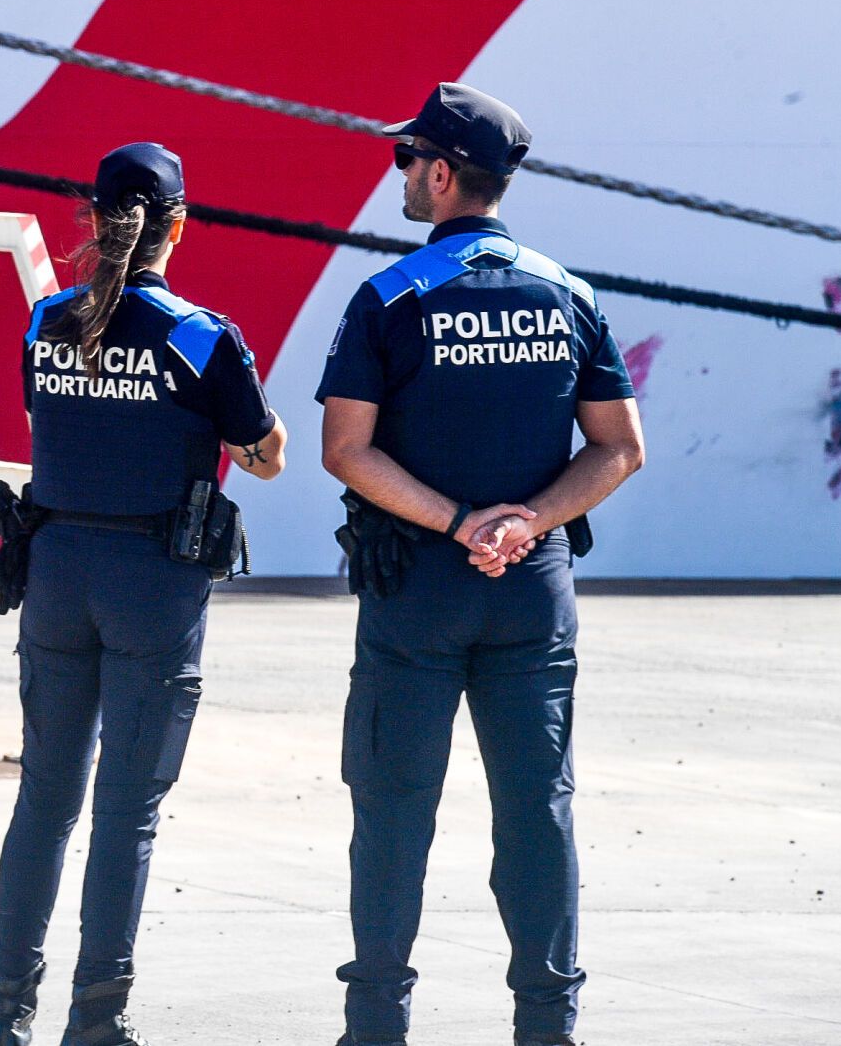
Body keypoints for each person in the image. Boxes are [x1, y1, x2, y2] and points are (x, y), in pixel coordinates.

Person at [316, 84, 646, 1046]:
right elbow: (620, 447)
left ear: (444, 173)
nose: (401, 175)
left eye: (406, 160)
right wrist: (526, 523)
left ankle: (375, 1028)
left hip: (416, 594)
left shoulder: (388, 297)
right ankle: (550, 1029)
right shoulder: (567, 292)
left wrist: (460, 523)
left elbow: (346, 449)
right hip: (533, 596)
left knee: (392, 812)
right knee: (537, 816)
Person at [0, 143, 288, 1046]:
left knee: (44, 799)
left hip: (56, 575)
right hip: (153, 585)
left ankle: (6, 1017)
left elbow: (50, 422)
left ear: (93, 220)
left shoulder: (45, 321)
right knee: (125, 812)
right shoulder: (202, 335)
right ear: (178, 225)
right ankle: (96, 1023)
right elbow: (265, 455)